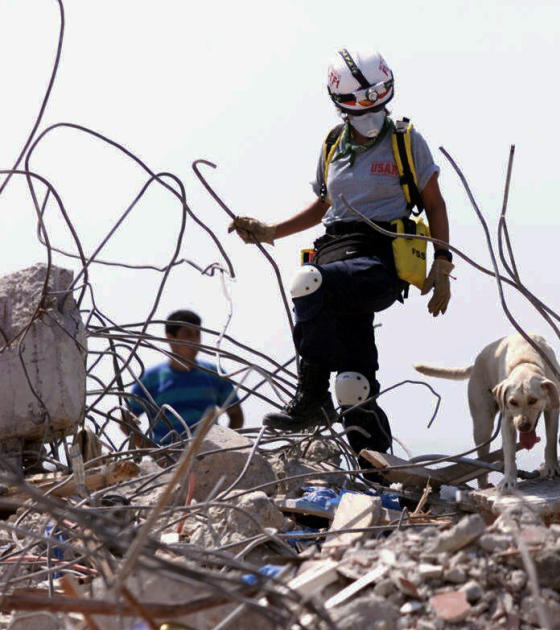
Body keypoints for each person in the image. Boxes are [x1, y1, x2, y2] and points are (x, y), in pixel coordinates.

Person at [227, 49, 453, 465]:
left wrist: (442, 263)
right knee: (353, 385)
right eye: (358, 104)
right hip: (335, 251)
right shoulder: (334, 144)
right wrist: (269, 231)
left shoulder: (406, 141)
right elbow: (324, 206)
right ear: (340, 104)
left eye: (377, 100)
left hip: (380, 257)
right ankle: (379, 472)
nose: (370, 111)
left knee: (307, 282)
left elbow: (435, 204)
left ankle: (311, 397)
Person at [125, 310, 244, 446]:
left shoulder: (214, 374)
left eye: (197, 334)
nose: (195, 340)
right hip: (168, 458)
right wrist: (153, 453)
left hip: (209, 456)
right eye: (188, 334)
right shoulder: (151, 379)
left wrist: (226, 447)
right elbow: (126, 420)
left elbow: (236, 414)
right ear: (170, 337)